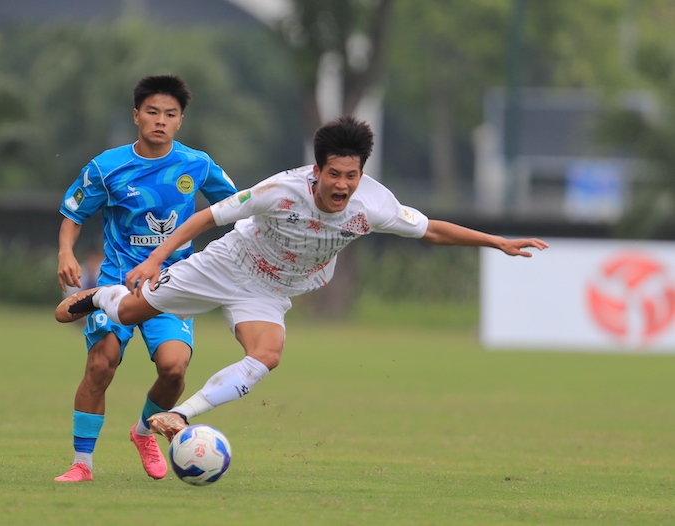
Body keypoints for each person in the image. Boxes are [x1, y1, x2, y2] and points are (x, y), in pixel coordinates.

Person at [55, 115, 549, 442]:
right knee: (128, 312)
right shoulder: (278, 191)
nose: (342, 185)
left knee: (266, 355)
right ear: (317, 170)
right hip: (229, 262)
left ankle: (181, 415)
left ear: (361, 174)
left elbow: (433, 231)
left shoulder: (373, 203)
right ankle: (103, 293)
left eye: (351, 176)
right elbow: (207, 218)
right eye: (334, 174)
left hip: (271, 289)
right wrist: (157, 260)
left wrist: (497, 242)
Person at [54, 75, 238, 482]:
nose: (160, 120)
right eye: (152, 112)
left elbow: (238, 207)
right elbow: (73, 213)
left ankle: (143, 433)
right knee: (102, 363)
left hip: (173, 285)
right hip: (116, 285)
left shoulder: (197, 165)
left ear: (180, 121)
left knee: (174, 369)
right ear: (136, 116)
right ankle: (82, 464)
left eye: (170, 114)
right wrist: (66, 251)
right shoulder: (107, 167)